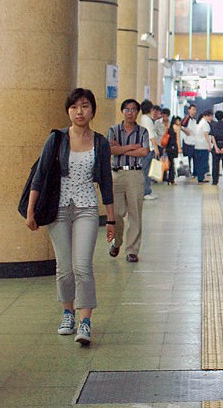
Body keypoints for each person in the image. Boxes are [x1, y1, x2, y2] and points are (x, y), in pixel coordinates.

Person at [26, 87, 115, 346]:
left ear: (92, 110)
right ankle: (68, 313)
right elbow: (40, 176)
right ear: (68, 110)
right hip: (58, 209)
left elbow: (106, 182)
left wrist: (111, 220)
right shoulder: (56, 139)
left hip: (87, 207)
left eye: (85, 106)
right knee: (64, 268)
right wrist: (31, 210)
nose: (80, 111)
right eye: (75, 106)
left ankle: (85, 321)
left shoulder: (100, 142)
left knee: (82, 266)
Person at [108, 98, 151, 263]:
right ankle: (117, 242)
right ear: (122, 111)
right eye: (127, 109)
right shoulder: (113, 130)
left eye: (133, 109)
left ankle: (132, 250)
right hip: (117, 175)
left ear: (137, 112)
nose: (130, 112)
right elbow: (111, 150)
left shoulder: (143, 132)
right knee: (117, 213)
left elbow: (144, 151)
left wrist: (121, 150)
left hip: (135, 175)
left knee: (135, 214)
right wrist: (132, 147)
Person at [138, 99, 159, 200]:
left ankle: (146, 191)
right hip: (149, 148)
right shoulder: (147, 120)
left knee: (145, 170)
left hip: (145, 148)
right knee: (146, 171)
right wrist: (156, 148)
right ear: (151, 109)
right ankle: (146, 192)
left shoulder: (143, 118)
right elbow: (151, 136)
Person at [194, 109, 213, 183]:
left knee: (200, 162)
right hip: (203, 146)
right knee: (202, 162)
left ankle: (201, 177)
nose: (211, 118)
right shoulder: (205, 123)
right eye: (210, 116)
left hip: (199, 146)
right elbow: (206, 135)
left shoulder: (201, 122)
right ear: (206, 116)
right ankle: (201, 178)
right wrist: (209, 145)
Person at [163, 116, 182, 184]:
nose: (180, 122)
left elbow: (166, 138)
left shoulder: (168, 127)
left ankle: (168, 178)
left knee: (170, 163)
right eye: (179, 121)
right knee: (173, 163)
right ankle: (171, 179)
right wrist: (179, 148)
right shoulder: (177, 128)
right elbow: (178, 139)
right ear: (176, 121)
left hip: (168, 147)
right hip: (174, 147)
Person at [181, 104, 198, 174]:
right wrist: (187, 132)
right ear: (189, 110)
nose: (194, 111)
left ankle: (195, 173)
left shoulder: (194, 120)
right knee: (187, 159)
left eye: (195, 110)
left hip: (194, 143)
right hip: (187, 143)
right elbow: (181, 126)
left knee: (195, 159)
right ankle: (186, 173)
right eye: (193, 109)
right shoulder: (186, 118)